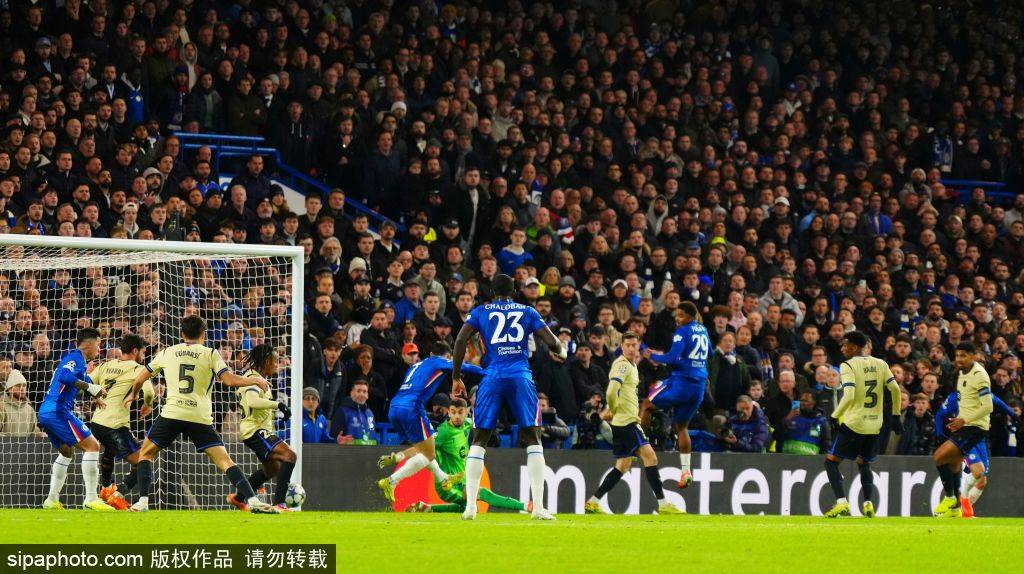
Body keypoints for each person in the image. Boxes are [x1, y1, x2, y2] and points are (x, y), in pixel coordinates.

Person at [122, 316, 278, 513]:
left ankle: (143, 502)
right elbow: (229, 381)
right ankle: (253, 501)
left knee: (145, 454)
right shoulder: (210, 353)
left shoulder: (167, 352)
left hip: (173, 413)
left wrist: (134, 396)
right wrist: (254, 380)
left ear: (182, 333)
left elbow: (140, 379)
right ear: (203, 334)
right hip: (199, 416)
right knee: (225, 461)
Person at [451, 273, 566, 521]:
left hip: (492, 376)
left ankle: (470, 507)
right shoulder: (527, 311)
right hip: (520, 376)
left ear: (492, 292)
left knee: (479, 439)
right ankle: (538, 508)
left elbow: (460, 339)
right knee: (533, 437)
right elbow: (551, 341)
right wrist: (562, 350)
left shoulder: (481, 311)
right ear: (514, 292)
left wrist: (456, 377)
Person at [584, 333, 683, 515]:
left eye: (634, 345)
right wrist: (613, 409)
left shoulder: (632, 366)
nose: (631, 348)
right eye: (627, 345)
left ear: (638, 347)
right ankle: (663, 504)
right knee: (651, 458)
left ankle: (593, 502)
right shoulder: (622, 365)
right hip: (627, 422)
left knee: (622, 465)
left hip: (623, 422)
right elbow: (611, 391)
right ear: (621, 346)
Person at [376, 342, 483, 502]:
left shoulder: (415, 366)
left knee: (425, 449)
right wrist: (487, 372)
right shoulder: (438, 361)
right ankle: (391, 481)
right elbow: (462, 366)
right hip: (412, 407)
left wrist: (399, 457)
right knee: (428, 453)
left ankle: (443, 478)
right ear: (447, 356)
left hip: (394, 407)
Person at [404, 398, 530, 513]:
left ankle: (427, 508)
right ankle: (525, 506)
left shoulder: (468, 424)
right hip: (447, 484)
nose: (457, 416)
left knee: (468, 508)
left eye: (460, 412)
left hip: (462, 480)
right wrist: (400, 456)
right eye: (453, 412)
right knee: (481, 493)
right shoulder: (444, 432)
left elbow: (483, 420)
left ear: (466, 413)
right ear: (449, 413)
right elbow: (421, 448)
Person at [823, 331, 900, 518]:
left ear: (855, 347)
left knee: (831, 462)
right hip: (875, 425)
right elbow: (896, 389)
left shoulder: (848, 365)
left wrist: (834, 416)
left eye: (846, 345)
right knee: (864, 463)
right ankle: (868, 504)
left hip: (855, 423)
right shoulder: (881, 363)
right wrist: (896, 416)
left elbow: (849, 395)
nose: (842, 348)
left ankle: (842, 503)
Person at [37, 328, 115, 511]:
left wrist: (94, 394)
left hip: (45, 412)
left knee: (66, 452)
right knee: (93, 446)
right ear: (89, 344)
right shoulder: (75, 357)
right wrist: (91, 388)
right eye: (98, 344)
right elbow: (65, 377)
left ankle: (51, 500)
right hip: (58, 411)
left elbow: (83, 379)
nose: (99, 349)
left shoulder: (78, 362)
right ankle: (91, 499)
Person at [641, 301, 710, 489]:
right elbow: (709, 354)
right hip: (698, 387)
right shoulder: (703, 330)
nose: (677, 319)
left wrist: (652, 356)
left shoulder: (682, 331)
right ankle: (686, 471)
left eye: (681, 315)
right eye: (676, 316)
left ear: (690, 316)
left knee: (646, 404)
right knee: (681, 426)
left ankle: (639, 447)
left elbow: (671, 358)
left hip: (682, 383)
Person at [226, 344, 297, 512]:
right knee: (290, 455)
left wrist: (275, 417)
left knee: (272, 469)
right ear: (265, 361)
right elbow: (252, 401)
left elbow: (257, 407)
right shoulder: (253, 378)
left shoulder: (257, 378)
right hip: (255, 431)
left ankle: (238, 498)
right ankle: (279, 504)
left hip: (256, 430)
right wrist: (278, 404)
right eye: (275, 361)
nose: (277, 365)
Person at [90, 334, 155, 511]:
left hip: (96, 422)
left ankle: (106, 488)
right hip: (115, 424)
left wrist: (94, 395)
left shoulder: (106, 365)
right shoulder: (139, 368)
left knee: (110, 450)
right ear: (135, 351)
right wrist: (147, 404)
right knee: (143, 460)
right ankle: (118, 494)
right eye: (143, 352)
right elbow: (149, 393)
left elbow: (87, 382)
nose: (144, 356)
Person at [932, 342, 997, 518]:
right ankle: (955, 509)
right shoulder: (962, 373)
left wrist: (964, 419)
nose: (959, 359)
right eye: (957, 355)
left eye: (963, 355)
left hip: (973, 428)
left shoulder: (980, 376)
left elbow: (988, 406)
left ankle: (950, 497)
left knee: (939, 457)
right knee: (954, 464)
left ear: (972, 356)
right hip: (965, 426)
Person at [934, 387, 1015, 518]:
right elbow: (940, 414)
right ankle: (962, 505)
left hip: (980, 439)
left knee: (982, 481)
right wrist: (939, 435)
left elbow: (998, 402)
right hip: (964, 438)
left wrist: (1014, 414)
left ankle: (958, 509)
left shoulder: (983, 393)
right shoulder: (956, 397)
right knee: (977, 472)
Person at [0, 370, 38, 436]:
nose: (22, 388)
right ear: (9, 389)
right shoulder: (1, 407)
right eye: (18, 386)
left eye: (24, 385)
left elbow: (32, 432)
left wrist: (39, 435)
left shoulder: (30, 409)